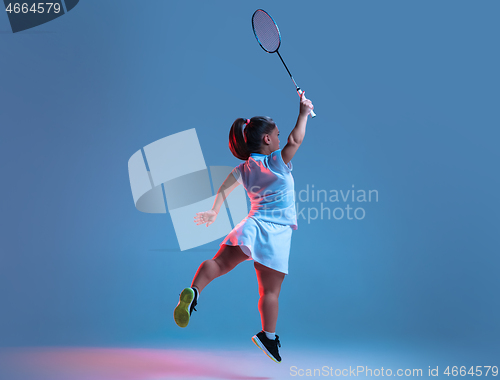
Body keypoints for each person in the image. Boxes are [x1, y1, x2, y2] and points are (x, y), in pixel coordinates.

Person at [174, 92, 314, 363]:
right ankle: (268, 337)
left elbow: (228, 181)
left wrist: (214, 211)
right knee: (270, 292)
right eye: (277, 134)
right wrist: (304, 112)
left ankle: (194, 291)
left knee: (218, 264)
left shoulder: (246, 168)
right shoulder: (278, 163)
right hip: (275, 235)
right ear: (267, 140)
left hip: (251, 226)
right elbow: (296, 139)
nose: (280, 137)